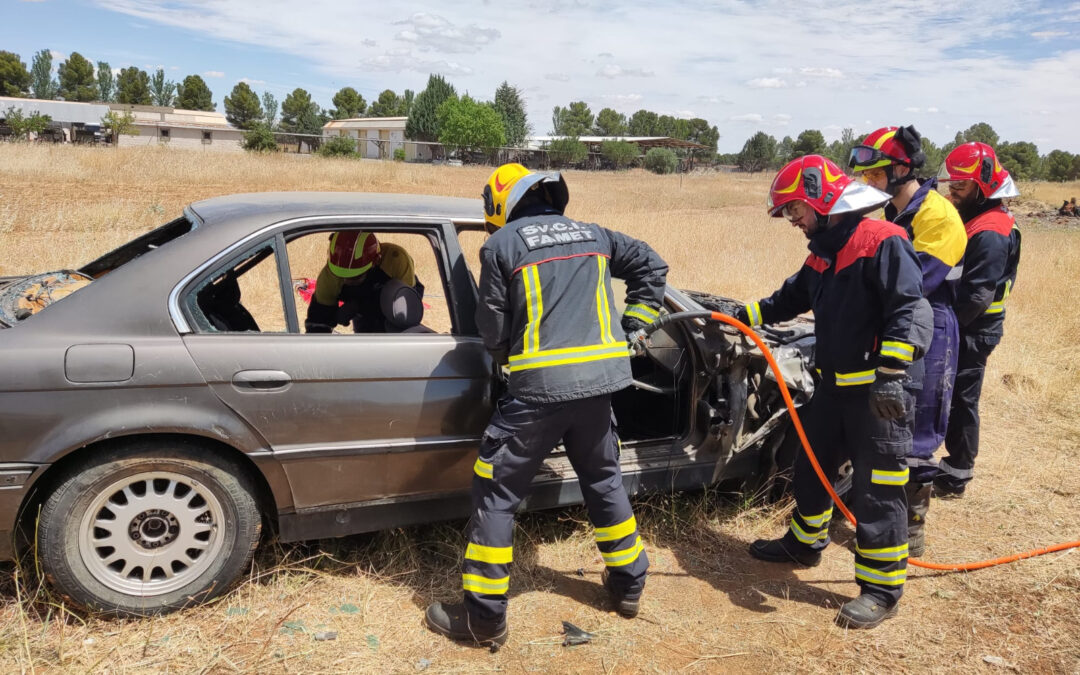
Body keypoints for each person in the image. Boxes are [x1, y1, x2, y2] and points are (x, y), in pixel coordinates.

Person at [424, 163, 668, 649]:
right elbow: (652, 265)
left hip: (535, 394)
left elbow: (491, 329)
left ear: (500, 204)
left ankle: (484, 621)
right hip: (600, 388)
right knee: (603, 481)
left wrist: (501, 362)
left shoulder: (501, 246)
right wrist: (634, 326)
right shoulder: (594, 234)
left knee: (496, 497)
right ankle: (628, 586)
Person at [738, 155, 932, 629]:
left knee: (879, 490)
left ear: (820, 198)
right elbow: (790, 298)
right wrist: (744, 317)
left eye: (794, 210)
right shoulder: (825, 250)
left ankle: (881, 589)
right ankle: (805, 544)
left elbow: (909, 309)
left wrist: (890, 374)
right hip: (834, 388)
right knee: (811, 465)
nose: (792, 221)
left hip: (880, 394)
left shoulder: (882, 241)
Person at [849, 126, 967, 557]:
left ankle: (910, 528)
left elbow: (915, 281)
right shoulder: (896, 214)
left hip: (931, 326)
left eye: (876, 174)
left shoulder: (938, 215)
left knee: (917, 427)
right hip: (898, 320)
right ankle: (881, 514)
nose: (868, 183)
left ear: (900, 169)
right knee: (886, 423)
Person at [933, 142, 1022, 497]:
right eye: (950, 185)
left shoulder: (991, 231)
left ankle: (957, 474)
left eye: (960, 186)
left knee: (962, 400)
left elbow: (977, 296)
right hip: (966, 327)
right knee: (955, 396)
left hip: (972, 330)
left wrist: (944, 333)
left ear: (983, 186)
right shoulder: (977, 219)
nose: (952, 193)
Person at [304, 231, 424, 333]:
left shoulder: (396, 260)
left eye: (355, 276)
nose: (347, 280)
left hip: (387, 303)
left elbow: (406, 311)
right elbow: (317, 322)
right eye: (342, 276)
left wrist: (358, 307)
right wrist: (332, 316)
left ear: (376, 262)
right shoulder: (330, 276)